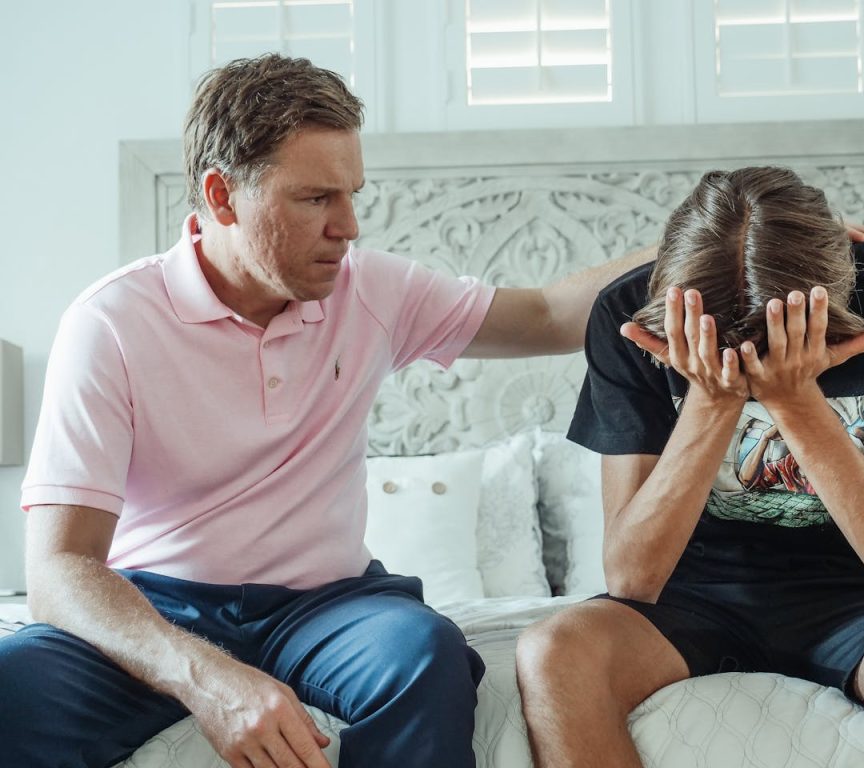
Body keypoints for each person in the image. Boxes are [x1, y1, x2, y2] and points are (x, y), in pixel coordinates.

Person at [0, 53, 664, 768]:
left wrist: (704, 238)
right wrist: (208, 679)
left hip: (329, 607)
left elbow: (547, 315)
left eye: (352, 195)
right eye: (315, 199)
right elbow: (60, 568)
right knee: (12, 685)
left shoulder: (371, 291)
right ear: (222, 196)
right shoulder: (110, 324)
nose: (348, 227)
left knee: (426, 654)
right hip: (161, 603)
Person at [515, 166, 864, 768]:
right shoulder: (629, 313)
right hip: (684, 596)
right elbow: (632, 579)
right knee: (552, 653)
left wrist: (796, 403)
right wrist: (711, 400)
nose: (746, 371)